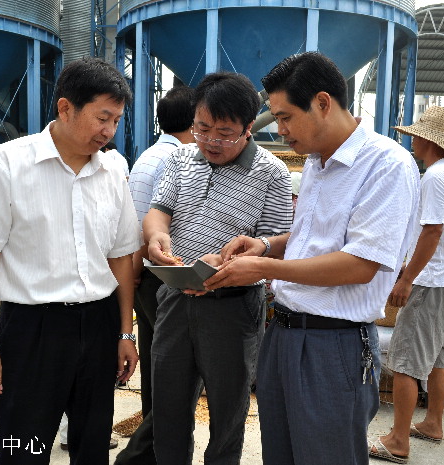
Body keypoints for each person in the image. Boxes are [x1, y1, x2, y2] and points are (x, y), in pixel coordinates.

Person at [203, 52, 420, 465]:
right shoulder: (318, 162)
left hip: (333, 344)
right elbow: (312, 240)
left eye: (285, 117)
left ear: (322, 103)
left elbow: (361, 264)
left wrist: (264, 268)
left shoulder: (386, 164)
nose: (280, 129)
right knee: (280, 455)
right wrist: (266, 246)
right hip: (285, 335)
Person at [0, 57, 140, 465]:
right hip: (32, 330)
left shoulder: (112, 173)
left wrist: (125, 333)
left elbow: (120, 258)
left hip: (99, 324)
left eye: (116, 121)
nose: (109, 131)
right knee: (23, 446)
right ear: (65, 108)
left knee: (92, 444)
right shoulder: (9, 163)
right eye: (102, 118)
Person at [144, 71, 293, 465]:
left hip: (233, 308)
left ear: (248, 128)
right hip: (175, 297)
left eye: (224, 133)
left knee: (228, 410)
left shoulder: (271, 173)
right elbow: (159, 212)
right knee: (168, 406)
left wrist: (228, 265)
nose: (210, 141)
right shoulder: (180, 158)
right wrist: (157, 237)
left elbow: (277, 248)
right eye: (202, 128)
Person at [372, 106, 444, 464]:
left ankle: (398, 440)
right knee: (439, 356)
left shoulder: (434, 177)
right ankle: (432, 423)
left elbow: (432, 231)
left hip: (429, 282)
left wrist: (406, 278)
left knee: (405, 362)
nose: (412, 140)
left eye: (416, 134)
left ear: (428, 140)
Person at [114, 84, 195, 465]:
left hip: (143, 274)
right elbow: (150, 226)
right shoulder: (180, 159)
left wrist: (131, 276)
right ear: (195, 122)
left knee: (155, 369)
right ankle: (142, 454)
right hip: (163, 277)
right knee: (176, 380)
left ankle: (151, 453)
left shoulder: (148, 155)